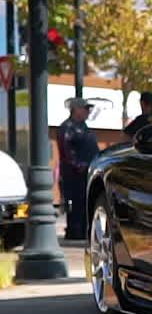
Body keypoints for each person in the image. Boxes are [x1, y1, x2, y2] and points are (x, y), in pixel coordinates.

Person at [56, 97, 99, 240]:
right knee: (75, 204)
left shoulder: (84, 127)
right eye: (85, 108)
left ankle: (83, 231)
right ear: (76, 109)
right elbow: (67, 151)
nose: (88, 111)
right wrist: (78, 166)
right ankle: (75, 232)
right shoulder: (68, 127)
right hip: (74, 176)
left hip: (87, 174)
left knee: (84, 204)